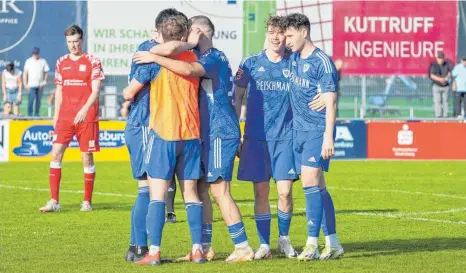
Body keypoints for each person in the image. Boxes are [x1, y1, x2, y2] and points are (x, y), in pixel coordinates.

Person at [133, 15, 255, 263]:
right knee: (200, 190)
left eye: (190, 31)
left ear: (198, 31)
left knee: (220, 191)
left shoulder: (213, 57)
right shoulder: (198, 55)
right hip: (204, 133)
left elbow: (187, 69)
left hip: (219, 131)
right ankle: (205, 247)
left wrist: (155, 57)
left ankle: (242, 246)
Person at [123, 13, 204, 266]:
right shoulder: (194, 58)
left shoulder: (151, 59)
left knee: (154, 194)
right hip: (190, 134)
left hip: (162, 133)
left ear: (159, 33)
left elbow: (128, 92)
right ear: (184, 35)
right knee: (190, 194)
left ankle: (151, 251)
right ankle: (198, 249)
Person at [233, 15, 298, 260]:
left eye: (280, 33)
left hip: (285, 138)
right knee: (260, 193)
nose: (275, 36)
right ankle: (264, 245)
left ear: (286, 36)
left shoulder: (295, 62)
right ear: (267, 33)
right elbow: (237, 97)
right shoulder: (250, 63)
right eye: (271, 31)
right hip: (255, 139)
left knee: (284, 192)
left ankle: (284, 238)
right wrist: (235, 134)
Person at [283, 13, 343, 260]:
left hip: (317, 132)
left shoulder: (322, 62)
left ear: (304, 32)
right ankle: (334, 243)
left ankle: (311, 244)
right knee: (319, 187)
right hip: (299, 131)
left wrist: (328, 137)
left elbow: (331, 103)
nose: (286, 41)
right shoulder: (293, 58)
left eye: (289, 35)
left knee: (309, 182)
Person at [39, 25, 104, 213]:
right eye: (69, 42)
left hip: (87, 116)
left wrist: (85, 109)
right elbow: (59, 90)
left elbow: (96, 89)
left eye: (76, 41)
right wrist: (56, 116)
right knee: (56, 153)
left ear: (81, 40)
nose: (73, 45)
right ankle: (54, 201)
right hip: (66, 116)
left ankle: (86, 201)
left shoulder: (93, 61)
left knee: (86, 157)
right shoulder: (61, 62)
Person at [23, 47, 50, 117]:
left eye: (36, 53)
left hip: (40, 85)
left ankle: (36, 114)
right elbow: (25, 73)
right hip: (31, 85)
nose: (35, 55)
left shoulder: (43, 61)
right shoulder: (28, 61)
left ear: (38, 53)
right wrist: (25, 84)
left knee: (38, 101)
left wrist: (44, 82)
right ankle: (29, 115)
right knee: (31, 100)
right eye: (34, 53)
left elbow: (46, 72)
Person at [429, 51, 452, 118]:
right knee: (437, 101)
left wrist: (446, 78)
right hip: (437, 85)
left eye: (442, 58)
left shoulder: (447, 64)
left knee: (445, 101)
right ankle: (438, 115)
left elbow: (450, 73)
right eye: (439, 58)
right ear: (437, 58)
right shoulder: (434, 65)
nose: (440, 60)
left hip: (445, 85)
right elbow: (432, 75)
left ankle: (445, 115)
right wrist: (440, 79)